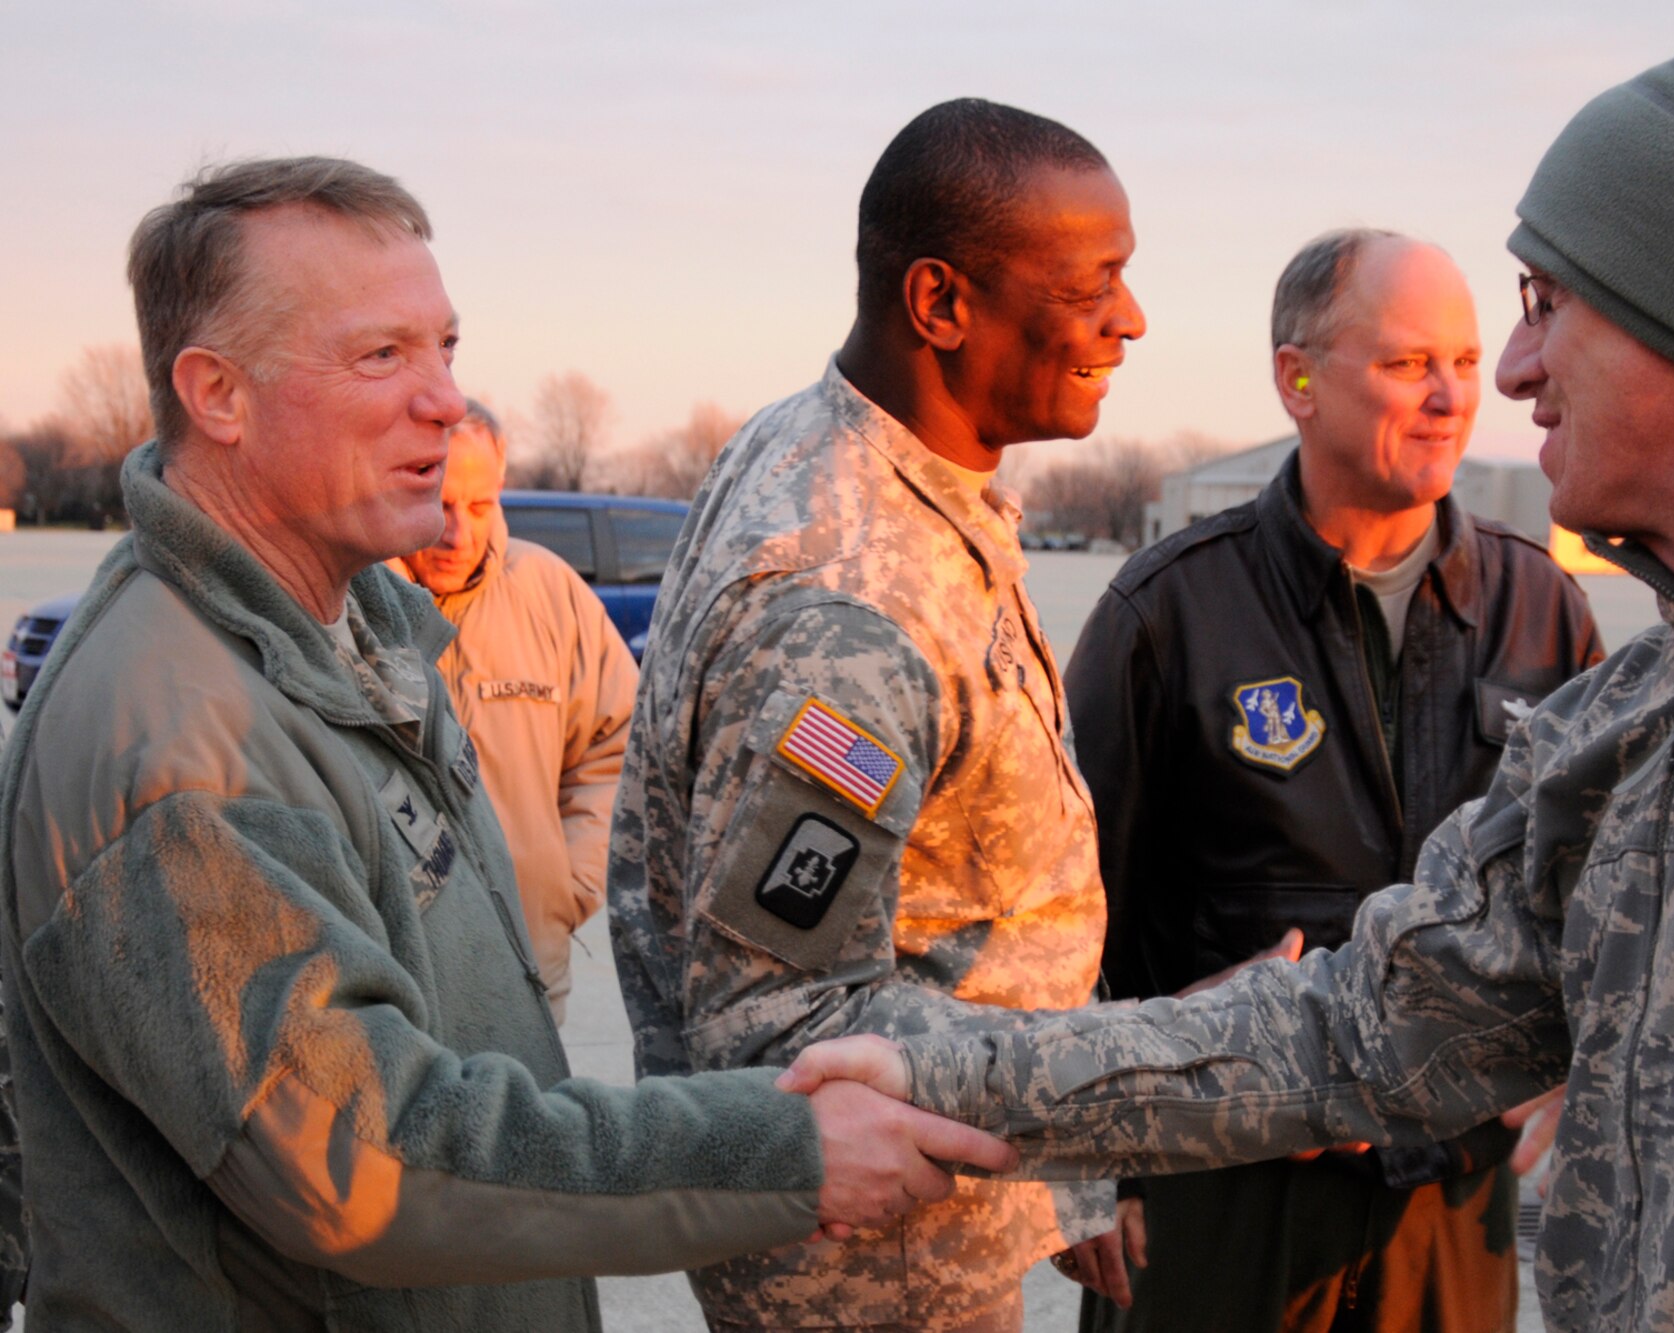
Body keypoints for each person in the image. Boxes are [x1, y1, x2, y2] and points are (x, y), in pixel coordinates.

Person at [786, 33, 1674, 1332]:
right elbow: (1363, 1021)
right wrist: (972, 1075)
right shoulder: (1652, 702)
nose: (1512, 376)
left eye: (1546, 306)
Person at [0, 155, 1015, 1331]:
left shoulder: (353, 624)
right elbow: (376, 1160)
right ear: (217, 395)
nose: (442, 399)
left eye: (445, 348)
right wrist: (788, 1150)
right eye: (379, 355)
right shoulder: (179, 745)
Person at [607, 97, 1143, 1331]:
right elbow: (781, 1022)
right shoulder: (845, 599)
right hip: (871, 1268)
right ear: (941, 304)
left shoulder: (862, 462)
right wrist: (1114, 1075)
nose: (1130, 319)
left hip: (933, 1211)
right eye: (1093, 284)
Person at [1065, 230, 1602, 1332]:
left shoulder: (1541, 609)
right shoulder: (1167, 611)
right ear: (1295, 377)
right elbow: (1062, 921)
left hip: (1449, 1202)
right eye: (1408, 363)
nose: (1452, 394)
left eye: (1460, 360)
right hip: (1218, 1191)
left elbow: (1598, 895)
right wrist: (1081, 1164)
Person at [394, 401, 637, 1025]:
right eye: (442, 504)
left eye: (481, 506)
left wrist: (571, 883)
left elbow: (619, 745)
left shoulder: (550, 591)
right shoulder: (349, 601)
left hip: (529, 967)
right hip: (399, 980)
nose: (460, 533)